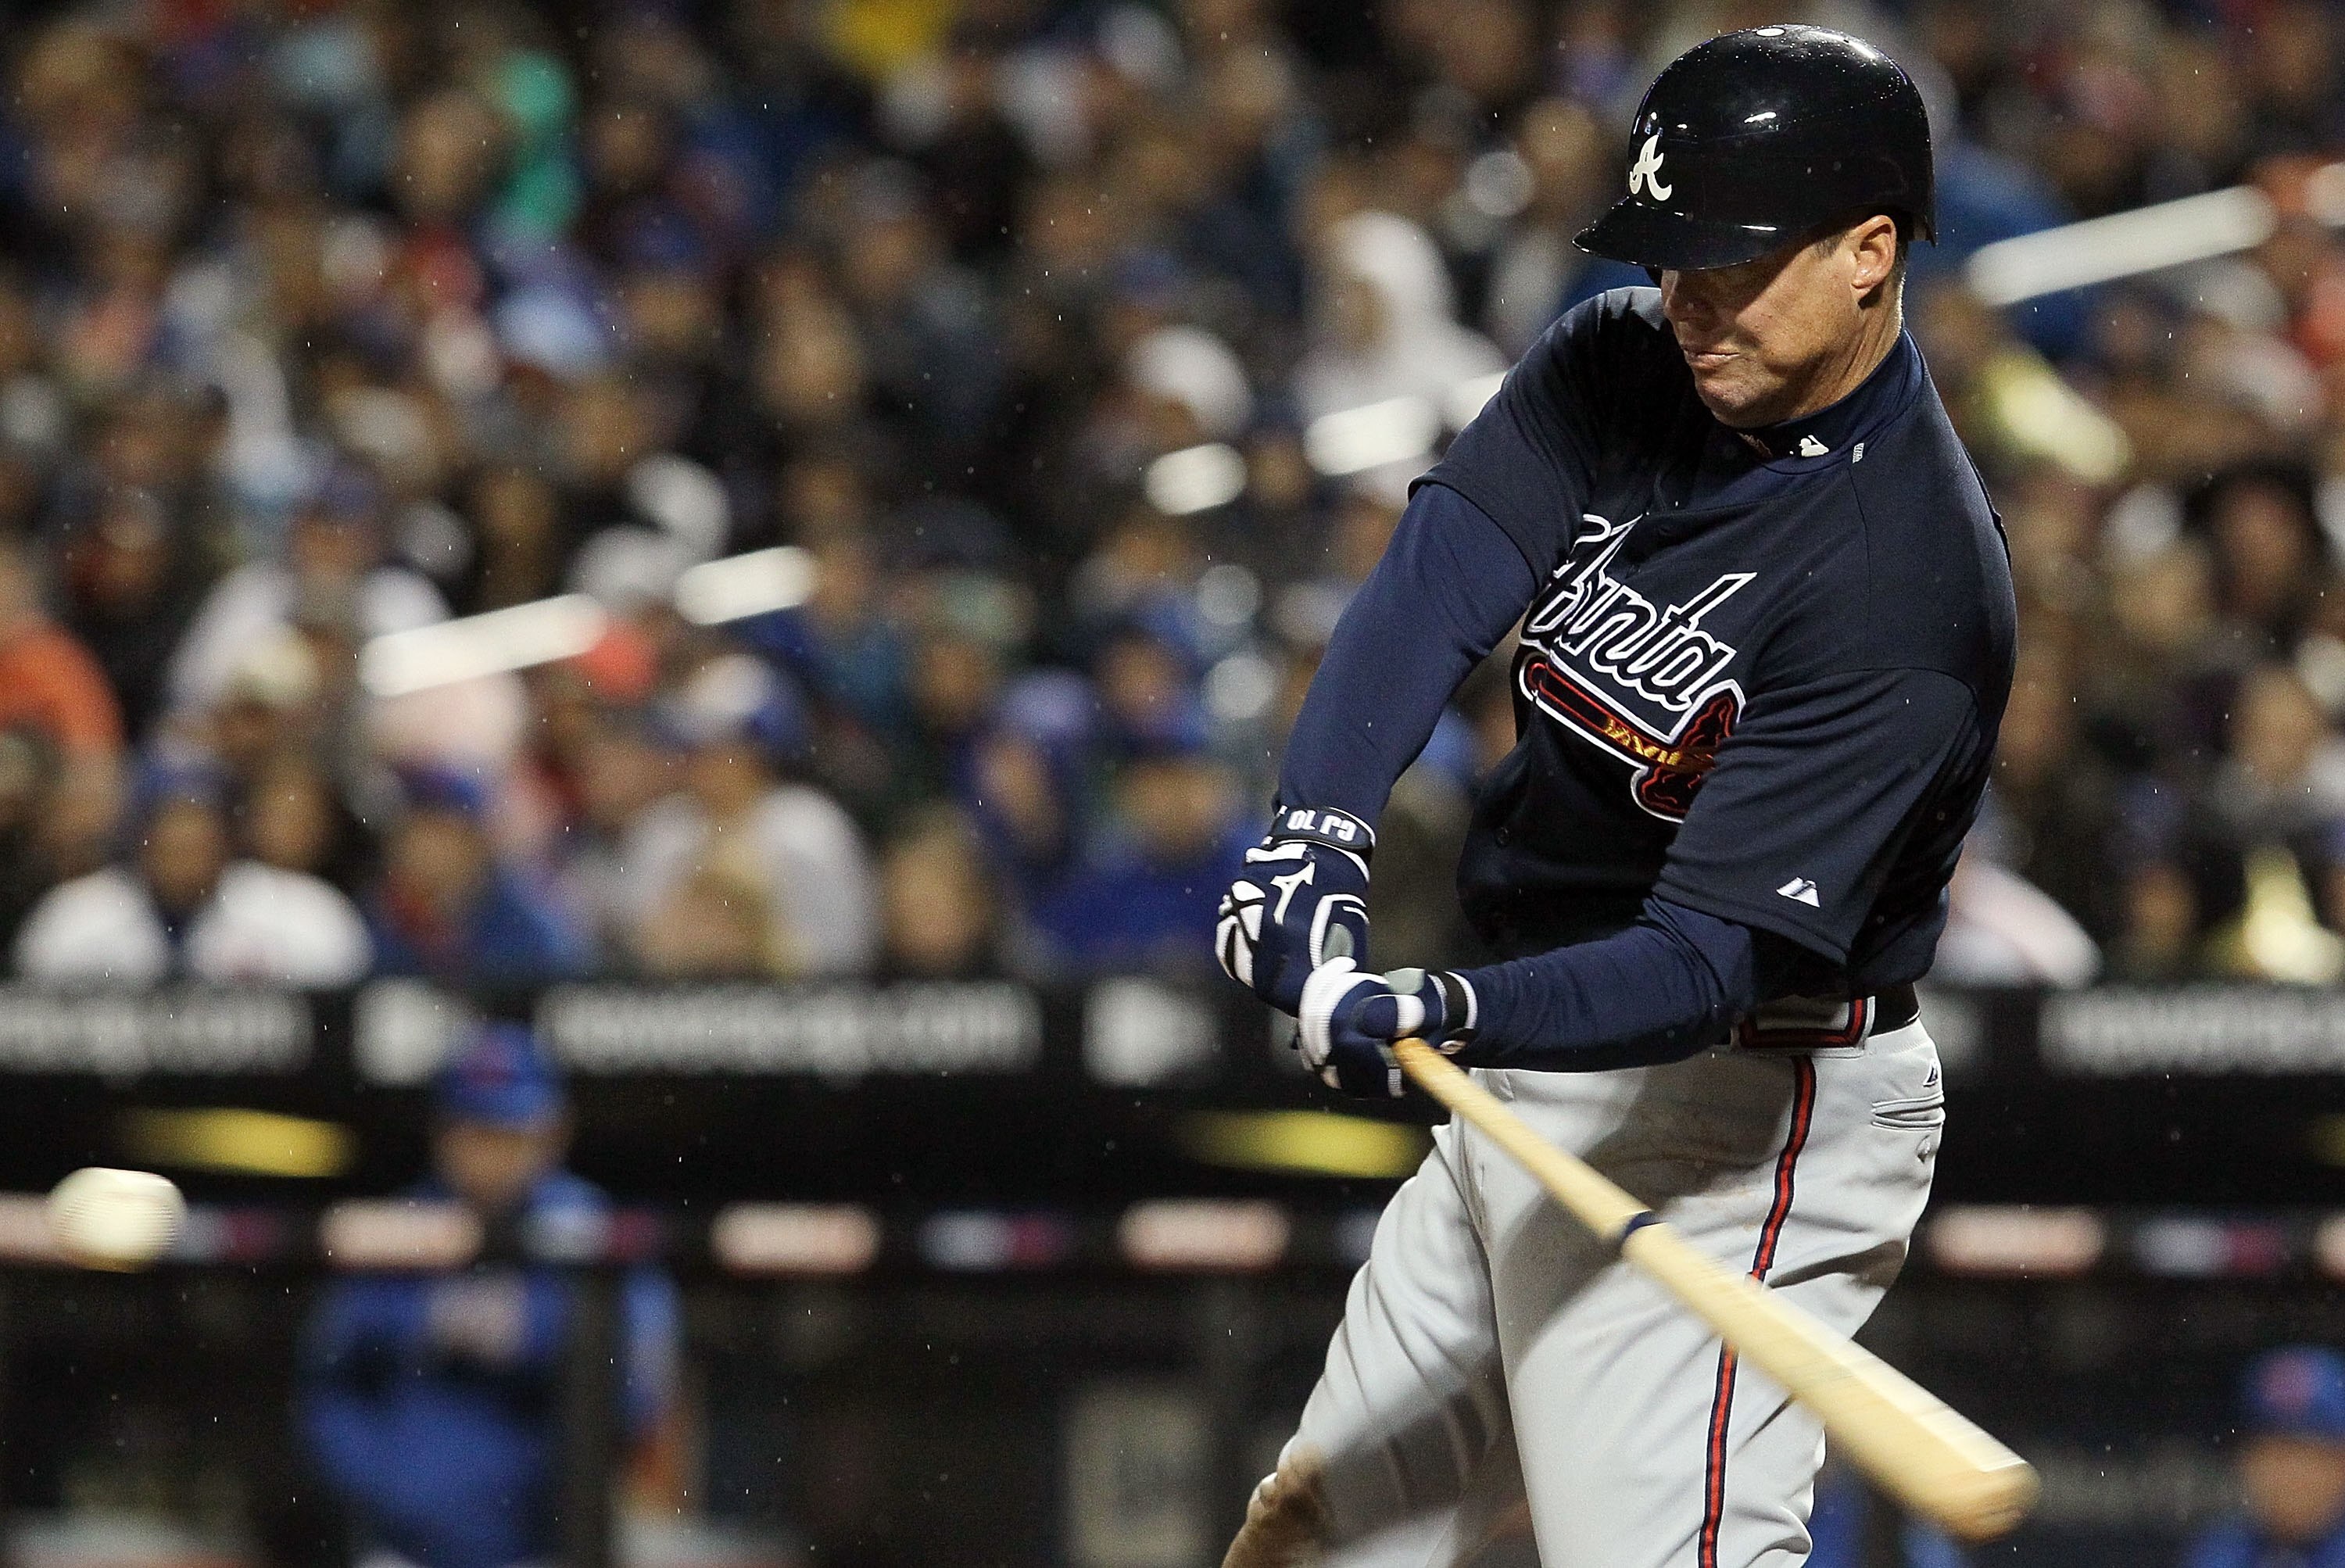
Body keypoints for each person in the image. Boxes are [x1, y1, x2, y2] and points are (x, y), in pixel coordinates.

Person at [1213, 27, 2014, 1568]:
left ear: (1869, 253)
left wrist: (1437, 1004)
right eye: (1673, 254)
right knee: (1317, 1543)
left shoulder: (1902, 580)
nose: (1686, 292)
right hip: (1535, 1047)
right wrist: (1318, 828)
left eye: (1730, 258)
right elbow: (1436, 579)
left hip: (1737, 1107)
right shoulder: (1623, 354)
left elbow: (1710, 961)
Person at [299, 1022, 680, 1568]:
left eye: (510, 1133)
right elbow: (329, 1386)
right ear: (445, 1133)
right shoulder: (395, 1230)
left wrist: (531, 1344)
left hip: (544, 1548)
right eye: (477, 1131)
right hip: (403, 1551)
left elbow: (639, 1392)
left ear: (552, 1133)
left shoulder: (597, 1234)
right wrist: (385, 1487)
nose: (492, 1154)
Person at [14, 776, 370, 986]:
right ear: (141, 841)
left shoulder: (305, 911)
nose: (184, 856)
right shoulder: (74, 914)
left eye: (197, 841)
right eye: (170, 841)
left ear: (226, 841)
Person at [2182, 1347, 2345, 1568]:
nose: (2291, 1474)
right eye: (2276, 1453)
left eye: (2309, 1453)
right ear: (2245, 1460)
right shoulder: (2218, 1553)